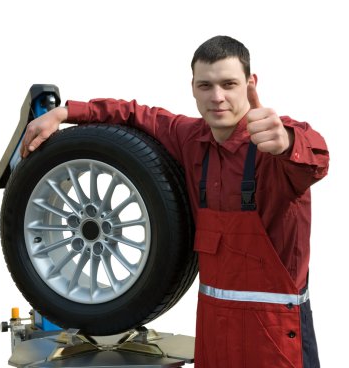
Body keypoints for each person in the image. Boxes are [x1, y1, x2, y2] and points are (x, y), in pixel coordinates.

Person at [21, 35, 329, 368]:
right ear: (193, 87)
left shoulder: (275, 145)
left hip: (273, 338)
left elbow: (317, 159)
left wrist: (286, 141)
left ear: (250, 83)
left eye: (229, 84)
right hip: (214, 330)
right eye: (206, 85)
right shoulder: (190, 138)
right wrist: (65, 112)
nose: (218, 97)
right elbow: (133, 114)